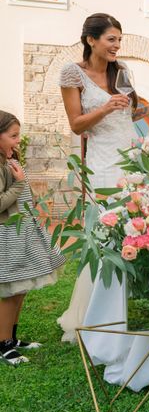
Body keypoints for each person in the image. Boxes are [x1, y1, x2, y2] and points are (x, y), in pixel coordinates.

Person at [57, 13, 149, 342]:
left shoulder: (121, 71)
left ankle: (126, 310)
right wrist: (106, 108)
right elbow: (77, 124)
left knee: (135, 230)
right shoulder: (72, 73)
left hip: (131, 158)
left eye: (119, 40)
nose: (117, 45)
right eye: (111, 39)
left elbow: (126, 113)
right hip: (103, 162)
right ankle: (93, 315)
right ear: (91, 40)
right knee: (105, 235)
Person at [0, 111, 66, 366]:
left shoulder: (9, 161)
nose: (18, 141)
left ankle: (11, 337)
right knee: (11, 290)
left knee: (22, 288)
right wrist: (18, 185)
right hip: (7, 234)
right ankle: (3, 344)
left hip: (22, 231)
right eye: (13, 136)